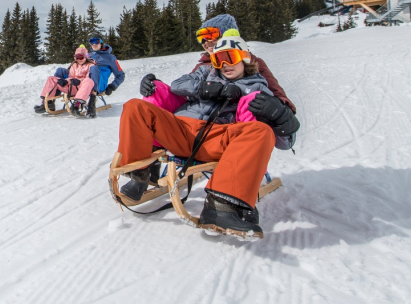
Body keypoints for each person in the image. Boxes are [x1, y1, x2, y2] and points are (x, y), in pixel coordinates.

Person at [119, 30, 299, 239]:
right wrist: (207, 88)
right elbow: (178, 85)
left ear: (245, 58)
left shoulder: (256, 86)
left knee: (261, 128)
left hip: (218, 138)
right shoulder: (206, 73)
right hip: (182, 129)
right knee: (135, 107)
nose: (224, 65)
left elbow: (285, 142)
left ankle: (223, 205)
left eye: (230, 57)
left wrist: (281, 116)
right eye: (218, 59)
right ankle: (139, 174)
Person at [192, 14, 295, 112]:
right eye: (201, 38)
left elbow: (277, 95)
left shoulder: (251, 62)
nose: (206, 42)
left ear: (230, 35)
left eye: (211, 35)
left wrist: (280, 111)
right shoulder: (202, 65)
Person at [34, 46, 98, 117]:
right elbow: (70, 77)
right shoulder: (74, 65)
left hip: (81, 88)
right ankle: (48, 103)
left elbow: (88, 78)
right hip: (70, 87)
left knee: (89, 81)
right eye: (77, 57)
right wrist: (66, 81)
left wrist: (78, 81)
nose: (79, 59)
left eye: (81, 57)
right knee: (51, 78)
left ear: (86, 57)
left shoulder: (90, 66)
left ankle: (76, 105)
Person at [86, 36, 126, 103]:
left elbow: (120, 75)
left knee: (94, 68)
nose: (94, 44)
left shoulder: (110, 58)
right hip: (84, 82)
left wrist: (112, 86)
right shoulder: (88, 56)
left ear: (101, 43)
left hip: (99, 84)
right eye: (91, 42)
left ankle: (91, 103)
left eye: (96, 42)